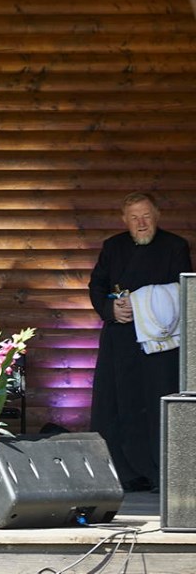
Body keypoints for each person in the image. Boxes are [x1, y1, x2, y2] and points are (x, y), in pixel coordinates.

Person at [89, 191, 192, 493]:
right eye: (134, 218)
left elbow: (182, 290)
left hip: (159, 344)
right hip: (120, 340)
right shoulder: (113, 246)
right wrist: (111, 309)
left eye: (146, 216)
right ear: (125, 220)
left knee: (156, 405)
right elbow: (97, 286)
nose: (141, 223)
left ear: (157, 216)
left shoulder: (175, 246)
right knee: (117, 405)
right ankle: (123, 475)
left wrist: (141, 303)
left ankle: (162, 474)